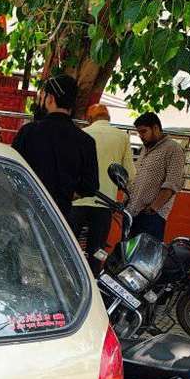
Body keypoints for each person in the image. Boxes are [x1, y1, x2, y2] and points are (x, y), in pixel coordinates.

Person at [12, 74, 99, 219]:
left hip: (26, 212)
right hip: (59, 218)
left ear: (50, 99)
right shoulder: (86, 141)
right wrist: (65, 195)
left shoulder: (29, 132)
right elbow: (90, 187)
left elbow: (12, 172)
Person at [71, 103, 135, 275]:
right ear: (109, 118)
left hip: (78, 200)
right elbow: (129, 174)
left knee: (69, 246)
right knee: (97, 250)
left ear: (89, 119)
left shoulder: (82, 134)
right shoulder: (121, 137)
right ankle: (93, 282)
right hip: (105, 204)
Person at [127, 111, 185, 240]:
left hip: (152, 217)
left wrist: (152, 209)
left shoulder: (173, 149)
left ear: (155, 128)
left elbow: (172, 183)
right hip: (133, 213)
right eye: (139, 132)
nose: (141, 136)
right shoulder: (145, 149)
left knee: (144, 258)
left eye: (143, 132)